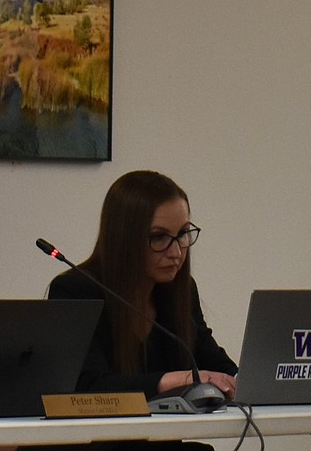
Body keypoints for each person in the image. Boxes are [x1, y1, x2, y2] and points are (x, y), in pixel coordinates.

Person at [47, 170, 237, 451]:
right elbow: (88, 388)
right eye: (159, 237)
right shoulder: (76, 290)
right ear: (124, 238)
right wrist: (176, 380)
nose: (176, 252)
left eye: (183, 234)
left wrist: (252, 380)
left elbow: (214, 364)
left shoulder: (177, 291)